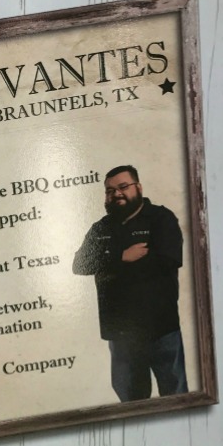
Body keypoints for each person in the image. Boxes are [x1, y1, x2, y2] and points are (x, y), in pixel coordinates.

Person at [71, 164, 186, 399]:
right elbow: (80, 265)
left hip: (161, 329)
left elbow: (167, 260)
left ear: (138, 187)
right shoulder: (100, 228)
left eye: (123, 186)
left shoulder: (161, 218)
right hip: (120, 333)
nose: (117, 194)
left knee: (175, 397)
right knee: (131, 402)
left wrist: (108, 266)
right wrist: (122, 257)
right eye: (110, 190)